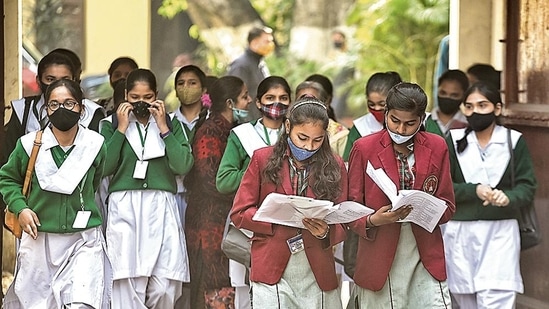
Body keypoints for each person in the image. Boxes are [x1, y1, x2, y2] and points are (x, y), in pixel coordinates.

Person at [0, 78, 110, 308]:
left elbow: (93, 183)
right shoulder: (28, 145)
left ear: (82, 109)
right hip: (40, 240)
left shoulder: (96, 144)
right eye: (54, 104)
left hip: (83, 240)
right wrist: (21, 208)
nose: (62, 109)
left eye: (69, 103)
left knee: (82, 303)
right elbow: (8, 179)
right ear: (46, 110)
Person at [230, 97, 348, 308]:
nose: (308, 146)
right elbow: (239, 213)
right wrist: (273, 218)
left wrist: (325, 232)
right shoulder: (262, 158)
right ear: (287, 126)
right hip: (270, 264)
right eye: (302, 137)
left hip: (316, 268)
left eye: (317, 140)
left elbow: (344, 218)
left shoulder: (335, 165)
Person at [347, 82, 456, 308]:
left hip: (424, 253)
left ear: (421, 120)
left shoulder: (437, 146)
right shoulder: (364, 148)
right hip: (379, 253)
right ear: (386, 114)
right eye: (394, 121)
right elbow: (349, 208)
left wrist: (428, 209)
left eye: (410, 123)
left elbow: (448, 204)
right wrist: (373, 219)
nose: (401, 130)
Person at [99, 68, 194, 309]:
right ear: (125, 95)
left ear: (157, 96)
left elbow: (183, 164)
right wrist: (121, 129)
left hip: (161, 205)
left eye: (148, 98)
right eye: (135, 98)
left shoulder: (173, 124)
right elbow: (105, 167)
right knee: (128, 279)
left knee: (166, 284)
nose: (141, 103)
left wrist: (164, 129)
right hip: (125, 206)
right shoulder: (109, 125)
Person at [443, 82, 537, 309]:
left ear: (497, 108)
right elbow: (442, 186)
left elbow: (527, 185)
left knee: (498, 299)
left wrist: (509, 197)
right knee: (464, 298)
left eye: (482, 105)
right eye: (469, 106)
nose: (475, 111)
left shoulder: (513, 141)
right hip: (460, 233)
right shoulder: (453, 140)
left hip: (500, 231)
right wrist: (473, 190)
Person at [216, 75, 291, 309]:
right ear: (258, 103)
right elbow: (224, 180)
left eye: (283, 98)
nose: (276, 104)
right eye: (270, 98)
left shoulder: (297, 136)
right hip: (249, 223)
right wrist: (258, 175)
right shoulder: (242, 135)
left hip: (287, 225)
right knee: (246, 293)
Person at [185, 76, 252, 309]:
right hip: (209, 223)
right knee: (213, 284)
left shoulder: (234, 130)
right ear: (230, 103)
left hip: (225, 219)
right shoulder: (210, 132)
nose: (250, 100)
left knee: (229, 283)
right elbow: (210, 181)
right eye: (244, 96)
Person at [342, 71, 402, 161]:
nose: (377, 109)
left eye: (382, 104)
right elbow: (348, 163)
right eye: (371, 104)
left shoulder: (418, 123)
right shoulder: (360, 128)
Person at [48, 48, 106, 131]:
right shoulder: (25, 109)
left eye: (65, 79)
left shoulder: (93, 113)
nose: (58, 85)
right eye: (50, 79)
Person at [227, 25, 274, 121]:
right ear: (254, 42)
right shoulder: (241, 66)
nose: (270, 44)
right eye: (267, 41)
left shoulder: (260, 63)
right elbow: (236, 99)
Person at [295, 80, 349, 157]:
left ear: (325, 105)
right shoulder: (287, 128)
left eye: (313, 102)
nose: (307, 106)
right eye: (302, 101)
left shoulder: (340, 135)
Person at [424, 70, 469, 138]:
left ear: (464, 96)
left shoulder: (468, 125)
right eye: (443, 93)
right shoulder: (423, 122)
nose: (447, 98)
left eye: (454, 95)